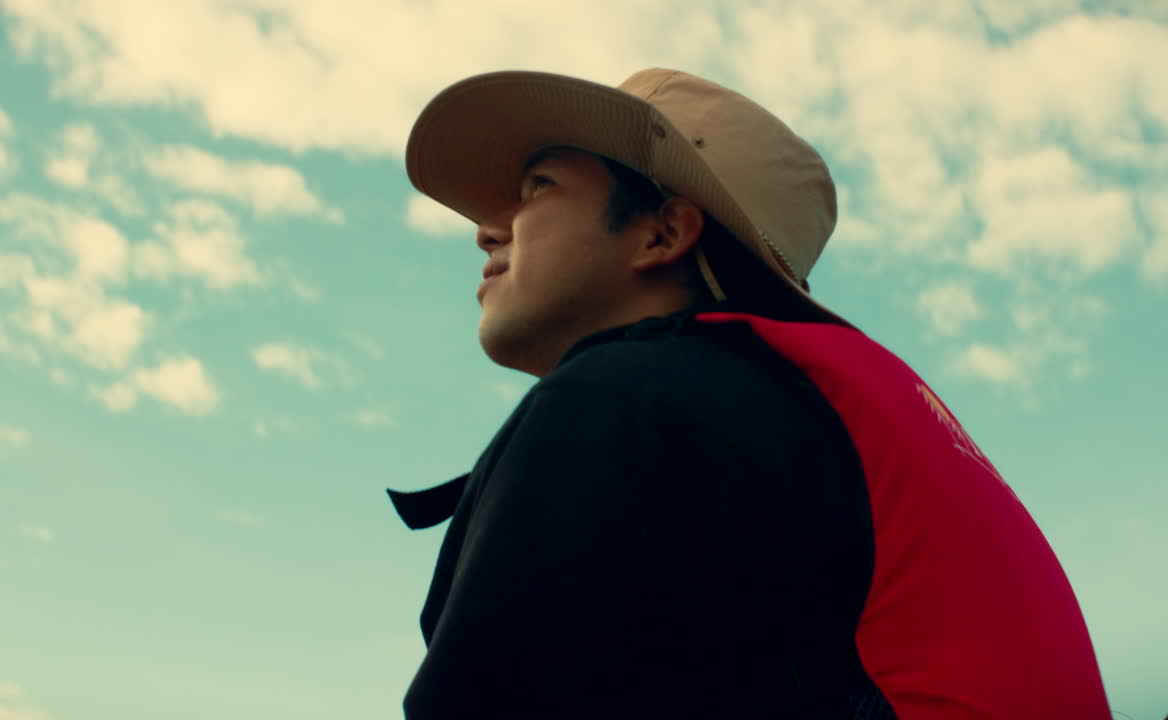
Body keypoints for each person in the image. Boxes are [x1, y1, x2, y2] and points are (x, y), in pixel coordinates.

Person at [387, 69, 1109, 719]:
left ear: (663, 233)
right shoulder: (803, 421)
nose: (488, 230)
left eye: (536, 188)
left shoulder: (625, 403)